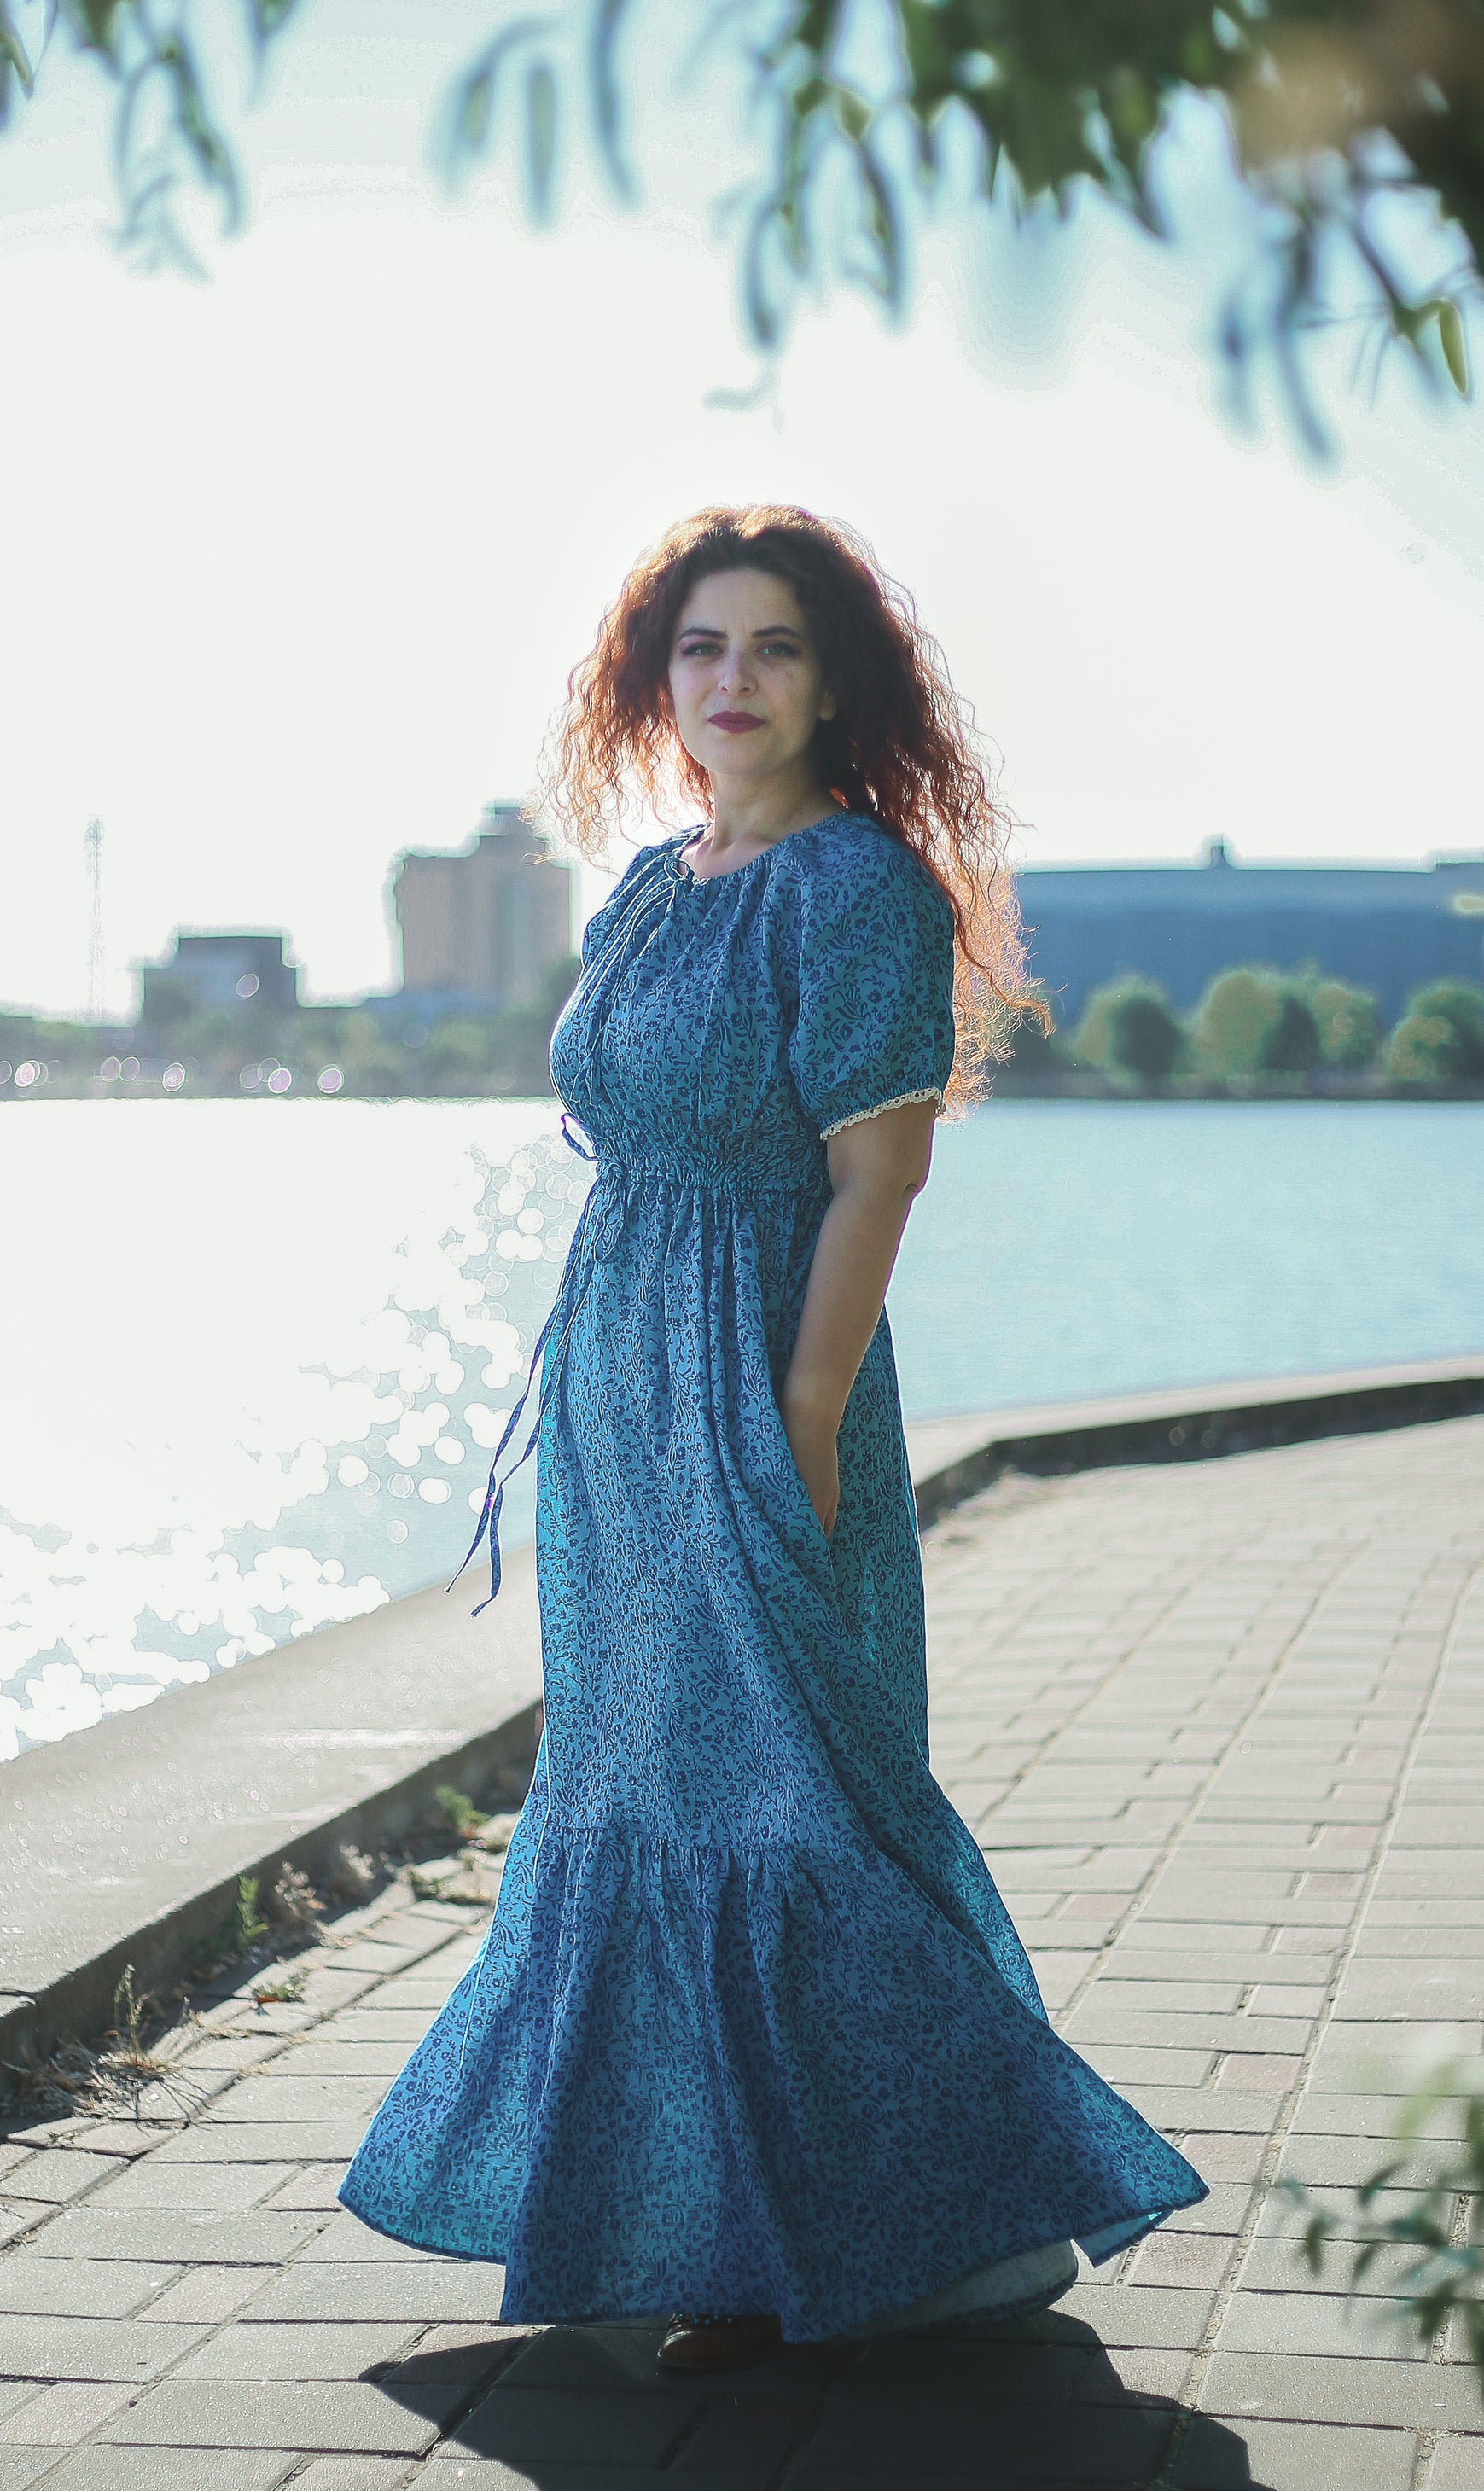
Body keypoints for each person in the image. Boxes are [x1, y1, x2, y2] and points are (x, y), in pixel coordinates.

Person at [339, 505, 1206, 2370]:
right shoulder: (650, 884)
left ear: (838, 683)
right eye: (700, 651)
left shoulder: (856, 890)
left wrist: (798, 1413)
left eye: (776, 648)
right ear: (660, 683)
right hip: (622, 1391)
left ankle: (910, 2214)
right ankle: (711, 2220)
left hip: (754, 1373)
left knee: (789, 1798)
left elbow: (874, 1172)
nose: (733, 683)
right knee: (639, 1794)